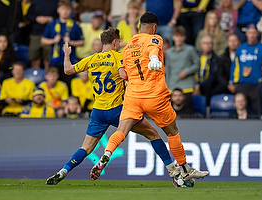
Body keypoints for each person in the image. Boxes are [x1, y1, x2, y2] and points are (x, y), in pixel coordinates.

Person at [46, 27, 183, 187]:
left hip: (97, 111)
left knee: (86, 147)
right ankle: (174, 172)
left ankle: (64, 170)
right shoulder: (119, 57)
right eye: (118, 42)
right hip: (118, 110)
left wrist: (67, 55)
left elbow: (68, 70)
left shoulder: (91, 59)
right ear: (114, 42)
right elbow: (124, 74)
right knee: (153, 134)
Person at [90, 12, 209, 183]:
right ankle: (184, 169)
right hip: (154, 96)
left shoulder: (128, 45)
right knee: (172, 132)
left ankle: (106, 154)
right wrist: (153, 58)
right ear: (154, 27)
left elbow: (123, 74)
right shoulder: (155, 38)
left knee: (120, 131)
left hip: (132, 96)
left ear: (139, 26)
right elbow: (153, 49)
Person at [41, 0, 84, 92]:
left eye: (68, 9)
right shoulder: (51, 25)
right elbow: (43, 40)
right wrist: (53, 40)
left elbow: (82, 42)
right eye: (63, 9)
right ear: (58, 10)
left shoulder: (75, 25)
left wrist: (71, 42)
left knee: (68, 85)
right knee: (55, 85)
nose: (65, 11)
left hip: (70, 61)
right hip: (55, 61)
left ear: (71, 11)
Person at [228, 24, 262, 112]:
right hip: (242, 84)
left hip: (257, 84)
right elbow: (235, 66)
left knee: (258, 109)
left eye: (254, 33)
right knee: (240, 107)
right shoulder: (240, 48)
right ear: (246, 34)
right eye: (250, 33)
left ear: (257, 34)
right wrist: (232, 81)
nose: (252, 35)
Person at [166, 26, 200, 108]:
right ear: (173, 37)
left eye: (181, 36)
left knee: (187, 112)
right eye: (177, 36)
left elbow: (197, 64)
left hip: (187, 85)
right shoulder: (169, 52)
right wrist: (167, 85)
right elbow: (168, 70)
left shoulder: (190, 50)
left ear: (184, 37)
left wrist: (187, 71)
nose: (179, 39)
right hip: (172, 85)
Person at [26, 0, 59, 70]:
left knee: (48, 60)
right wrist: (36, 18)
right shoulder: (35, 2)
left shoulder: (56, 2)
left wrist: (50, 19)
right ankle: (35, 78)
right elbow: (27, 16)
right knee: (34, 59)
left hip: (50, 35)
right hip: (35, 34)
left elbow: (62, 18)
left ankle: (49, 78)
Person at [194, 35, 219, 105]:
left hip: (207, 87)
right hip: (194, 84)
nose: (207, 45)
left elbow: (213, 76)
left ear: (212, 45)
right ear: (201, 45)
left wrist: (200, 85)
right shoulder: (194, 56)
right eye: (205, 43)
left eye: (210, 43)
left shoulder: (216, 59)